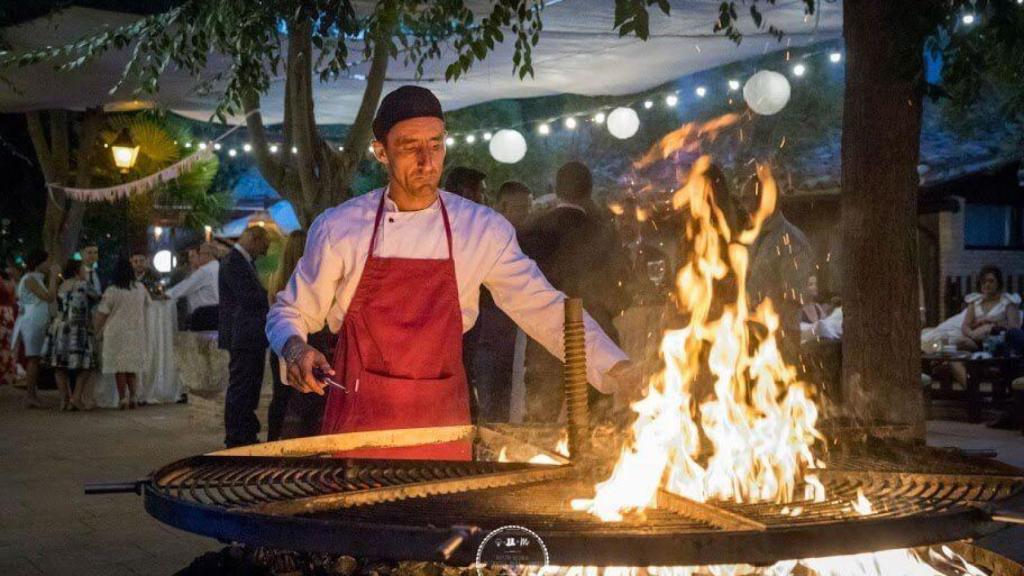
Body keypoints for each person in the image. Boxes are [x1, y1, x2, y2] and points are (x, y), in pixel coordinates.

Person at [268, 85, 633, 460]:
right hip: (358, 432)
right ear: (381, 151)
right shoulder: (341, 228)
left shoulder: (480, 229)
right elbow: (289, 312)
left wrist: (617, 367)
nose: (427, 161)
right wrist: (295, 347)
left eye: (436, 144)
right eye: (410, 147)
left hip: (442, 430)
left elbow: (544, 307)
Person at [519, 161, 632, 422]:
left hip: (544, 342)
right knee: (596, 423)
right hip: (597, 333)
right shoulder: (602, 230)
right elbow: (622, 285)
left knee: (540, 422)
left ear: (557, 190)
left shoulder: (532, 229)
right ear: (589, 191)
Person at [471, 182, 533, 422]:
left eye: (528, 206)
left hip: (513, 331)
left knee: (510, 396)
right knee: (490, 397)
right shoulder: (488, 236)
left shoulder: (526, 237)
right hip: (488, 329)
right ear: (502, 207)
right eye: (520, 208)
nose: (526, 213)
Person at [738, 173, 813, 364]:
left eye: (747, 198)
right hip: (748, 336)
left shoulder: (792, 240)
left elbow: (795, 298)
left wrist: (777, 335)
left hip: (780, 340)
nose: (743, 205)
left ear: (765, 199)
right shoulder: (750, 237)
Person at [266, 230, 330, 441]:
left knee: (281, 398)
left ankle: (274, 445)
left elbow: (274, 315)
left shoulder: (276, 279)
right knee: (304, 404)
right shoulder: (315, 279)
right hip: (310, 346)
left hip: (281, 347)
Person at [219, 226, 271, 447]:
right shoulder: (234, 262)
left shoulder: (242, 261)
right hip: (243, 335)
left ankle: (245, 430)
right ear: (253, 238)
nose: (265, 252)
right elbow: (249, 297)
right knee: (242, 385)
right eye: (263, 246)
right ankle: (237, 434)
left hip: (249, 335)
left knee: (249, 385)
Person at [94, 257, 150, 409]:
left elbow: (102, 313)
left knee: (119, 367)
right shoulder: (140, 288)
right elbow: (149, 304)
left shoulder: (112, 290)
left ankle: (122, 398)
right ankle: (133, 396)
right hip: (135, 331)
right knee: (132, 366)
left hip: (116, 332)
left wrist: (96, 330)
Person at [43, 258, 98, 411]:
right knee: (87, 365)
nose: (85, 272)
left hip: (60, 326)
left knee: (60, 366)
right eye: (83, 269)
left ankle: (64, 400)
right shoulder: (84, 285)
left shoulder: (62, 285)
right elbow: (97, 297)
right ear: (77, 271)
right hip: (78, 327)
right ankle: (76, 397)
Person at [11, 250, 58, 408]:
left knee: (35, 358)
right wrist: (53, 278)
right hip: (32, 321)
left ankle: (32, 393)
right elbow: (49, 297)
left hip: (36, 319)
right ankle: (30, 395)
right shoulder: (31, 278)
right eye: (47, 262)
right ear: (39, 262)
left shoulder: (35, 278)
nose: (49, 265)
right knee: (33, 358)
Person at [962, 265, 1021, 348]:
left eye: (991, 281)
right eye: (984, 281)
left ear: (998, 283)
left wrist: (994, 325)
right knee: (960, 342)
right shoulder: (975, 301)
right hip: (977, 339)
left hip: (999, 340)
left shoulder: (1008, 302)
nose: (987, 285)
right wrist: (972, 334)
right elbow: (965, 326)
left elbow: (1014, 330)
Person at [167, 242, 220, 331]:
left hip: (204, 315)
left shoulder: (205, 270)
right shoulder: (219, 267)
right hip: (218, 313)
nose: (199, 257)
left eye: (200, 254)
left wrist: (166, 295)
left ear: (208, 254)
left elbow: (184, 287)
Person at [1, 257, 22, 387]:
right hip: (8, 313)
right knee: (7, 344)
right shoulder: (11, 282)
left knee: (5, 344)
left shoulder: (4, 282)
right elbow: (15, 297)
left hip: (4, 313)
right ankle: (6, 373)